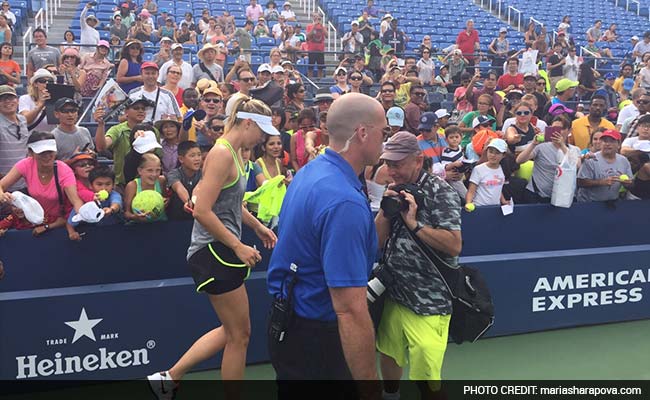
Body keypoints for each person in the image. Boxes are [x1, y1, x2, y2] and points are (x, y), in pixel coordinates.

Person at [147, 96, 278, 397]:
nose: (264, 137)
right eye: (261, 130)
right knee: (239, 336)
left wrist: (257, 227)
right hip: (214, 251)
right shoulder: (221, 154)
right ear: (247, 123)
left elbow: (228, 203)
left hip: (219, 250)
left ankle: (168, 378)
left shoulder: (234, 153)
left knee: (233, 332)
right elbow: (202, 210)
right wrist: (239, 246)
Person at [267, 93, 383, 393]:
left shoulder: (310, 173)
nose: (385, 139)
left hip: (290, 328)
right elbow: (349, 309)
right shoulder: (343, 200)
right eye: (383, 131)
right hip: (321, 343)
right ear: (363, 133)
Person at [374, 130, 462, 399]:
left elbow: (453, 244)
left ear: (417, 160)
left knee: (426, 376)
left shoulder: (441, 192)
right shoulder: (393, 189)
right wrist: (385, 209)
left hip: (429, 299)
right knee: (389, 352)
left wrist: (415, 224)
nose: (391, 169)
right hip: (394, 291)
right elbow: (378, 241)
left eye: (397, 164)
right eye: (388, 163)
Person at [0, 131, 84, 227]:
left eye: (50, 151)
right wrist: (2, 195)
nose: (47, 156)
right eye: (42, 153)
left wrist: (81, 215)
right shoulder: (25, 164)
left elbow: (76, 200)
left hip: (57, 223)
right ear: (31, 153)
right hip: (32, 220)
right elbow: (1, 185)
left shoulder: (64, 170)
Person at [516, 116, 581, 203]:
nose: (556, 132)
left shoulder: (574, 149)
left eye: (560, 129)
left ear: (569, 131)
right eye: (553, 128)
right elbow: (519, 160)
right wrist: (533, 144)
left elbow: (576, 165)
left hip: (561, 197)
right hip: (537, 195)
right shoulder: (541, 147)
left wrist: (562, 145)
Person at [94, 98, 155, 186]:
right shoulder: (117, 130)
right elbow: (101, 147)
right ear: (126, 112)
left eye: (143, 109)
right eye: (136, 108)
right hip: (122, 184)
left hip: (148, 183)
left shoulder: (152, 131)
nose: (141, 111)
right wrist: (101, 125)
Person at [577, 129, 633, 202]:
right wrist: (601, 182)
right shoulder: (591, 159)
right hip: (589, 203)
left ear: (619, 145)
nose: (607, 144)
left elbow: (631, 183)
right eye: (605, 141)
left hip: (613, 202)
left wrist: (627, 184)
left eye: (611, 141)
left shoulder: (624, 160)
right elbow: (580, 182)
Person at [0, 85, 29, 192]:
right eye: (2, 99)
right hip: (5, 186)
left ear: (17, 100)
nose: (8, 101)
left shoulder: (23, 120)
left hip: (25, 182)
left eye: (11, 97)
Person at [123, 152, 167, 223]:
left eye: (158, 170)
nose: (154, 174)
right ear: (140, 171)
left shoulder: (161, 181)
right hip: (138, 226)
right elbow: (126, 213)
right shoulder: (132, 186)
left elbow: (165, 199)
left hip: (160, 223)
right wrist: (135, 217)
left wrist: (166, 202)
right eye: (150, 170)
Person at [466, 138, 508, 206]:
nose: (493, 155)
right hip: (479, 207)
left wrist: (503, 201)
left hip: (496, 208)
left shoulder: (502, 168)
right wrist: (468, 203)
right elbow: (471, 191)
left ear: (503, 155)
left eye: (497, 153)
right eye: (491, 151)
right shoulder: (478, 169)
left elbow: (498, 188)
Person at [166, 140, 202, 220]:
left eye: (199, 155)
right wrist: (188, 202)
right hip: (175, 219)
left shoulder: (204, 173)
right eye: (192, 156)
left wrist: (193, 203)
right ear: (181, 159)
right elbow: (179, 188)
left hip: (197, 219)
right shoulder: (173, 174)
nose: (197, 159)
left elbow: (198, 188)